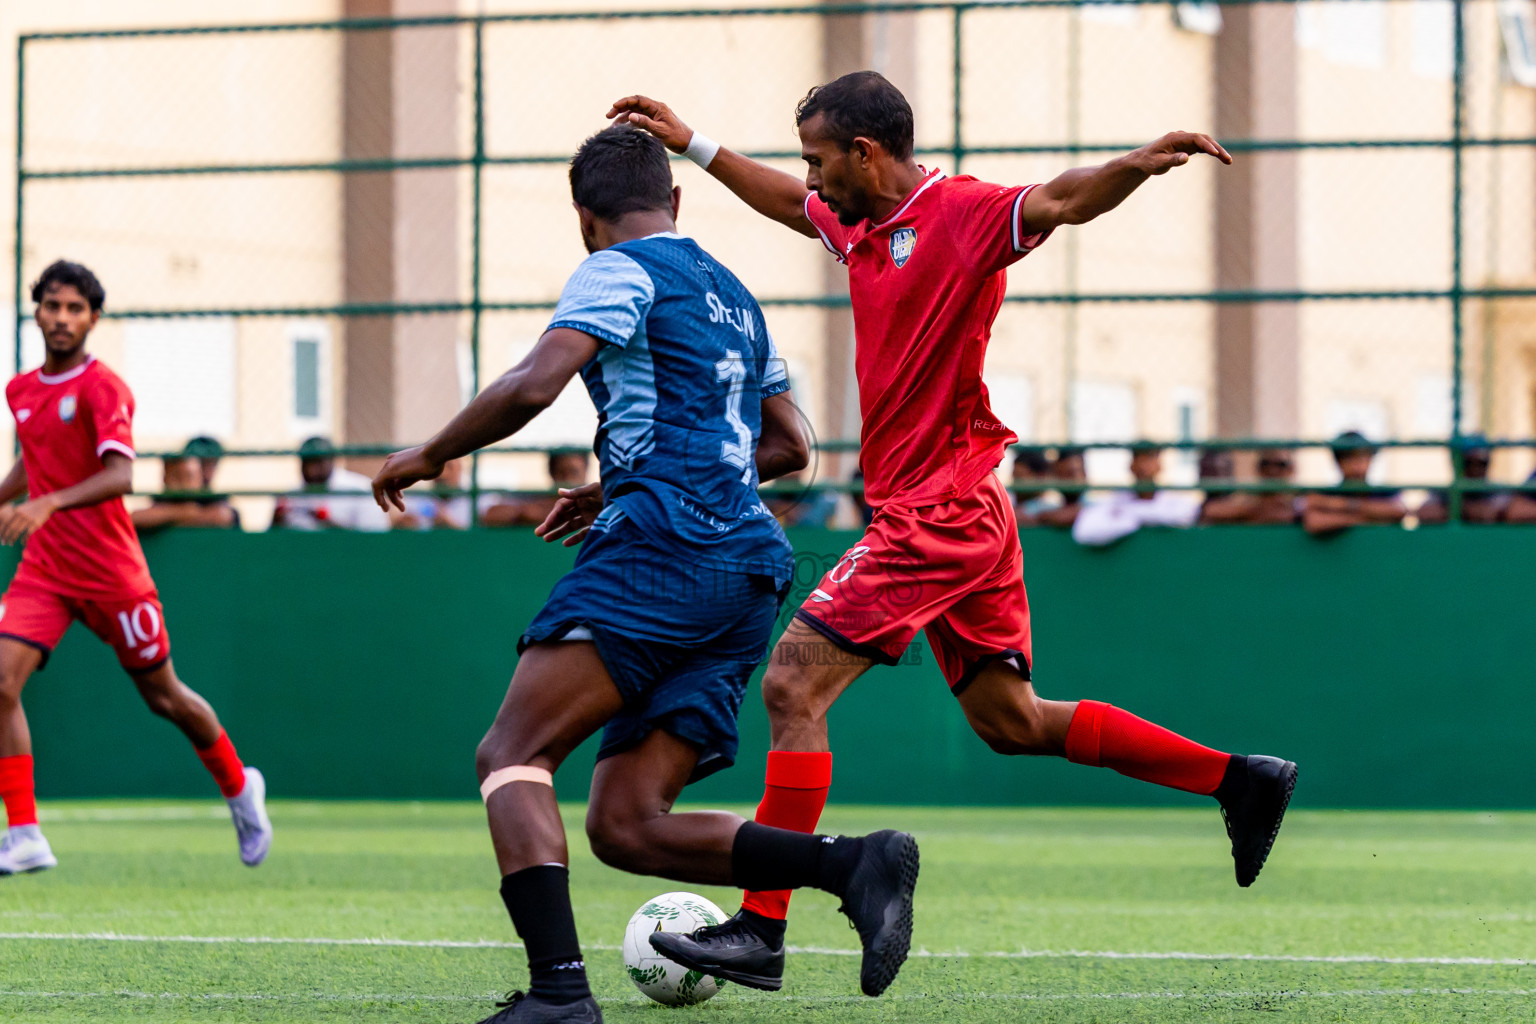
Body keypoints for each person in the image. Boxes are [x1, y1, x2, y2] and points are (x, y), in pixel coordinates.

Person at [606, 75, 1296, 988]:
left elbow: (1058, 198)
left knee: (792, 686)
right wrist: (694, 143)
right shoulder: (851, 221)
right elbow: (787, 204)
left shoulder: (963, 214)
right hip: (964, 505)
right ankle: (1238, 780)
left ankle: (763, 927)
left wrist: (1134, 164)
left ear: (865, 152)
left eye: (819, 158)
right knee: (1010, 721)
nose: (810, 177)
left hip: (941, 507)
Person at [371, 125, 918, 1024]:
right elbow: (788, 445)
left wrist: (430, 453)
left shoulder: (614, 268)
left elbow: (534, 383)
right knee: (626, 824)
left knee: (512, 754)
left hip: (662, 551)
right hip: (748, 568)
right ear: (675, 201)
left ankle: (558, 996)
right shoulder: (735, 293)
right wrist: (622, 476)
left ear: (587, 220)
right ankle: (848, 865)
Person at [0, 261, 271, 875]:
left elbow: (120, 475)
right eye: (51, 306)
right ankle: (23, 832)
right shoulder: (20, 390)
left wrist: (47, 502)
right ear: (36, 311)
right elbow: (34, 460)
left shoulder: (104, 388)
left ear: (93, 318)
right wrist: (9, 495)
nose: (62, 318)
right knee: (1, 682)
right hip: (44, 570)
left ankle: (238, 787)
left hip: (112, 574)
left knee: (165, 697)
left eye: (75, 308)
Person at [1072, 443, 1200, 546]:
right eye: (1138, 459)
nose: (1143, 467)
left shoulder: (1175, 498)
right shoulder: (1115, 499)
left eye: (1149, 459)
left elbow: (1185, 514)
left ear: (1160, 466)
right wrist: (1127, 524)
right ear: (1131, 466)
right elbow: (1084, 533)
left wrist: (1128, 514)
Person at [270, 436, 390, 532]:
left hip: (346, 559)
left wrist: (326, 521)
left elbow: (372, 541)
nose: (310, 470)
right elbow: (270, 543)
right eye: (306, 462)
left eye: (317, 462)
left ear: (332, 460)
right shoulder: (291, 495)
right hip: (299, 558)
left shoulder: (359, 489)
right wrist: (277, 520)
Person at [1301, 431, 1406, 535]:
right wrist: (1368, 519)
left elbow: (1399, 511)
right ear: (1339, 462)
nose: (1356, 467)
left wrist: (1340, 504)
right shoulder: (1327, 493)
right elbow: (1314, 522)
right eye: (1349, 459)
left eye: (1362, 458)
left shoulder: (1385, 492)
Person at [131, 453, 239, 533]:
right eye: (176, 476)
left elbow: (223, 516)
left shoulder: (210, 498)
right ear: (165, 478)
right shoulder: (163, 500)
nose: (183, 483)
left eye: (189, 476)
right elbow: (135, 518)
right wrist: (184, 512)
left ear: (200, 478)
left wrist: (168, 520)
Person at [481, 452, 590, 528]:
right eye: (561, 472)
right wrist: (522, 512)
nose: (568, 479)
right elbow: (489, 515)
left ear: (585, 472)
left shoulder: (595, 503)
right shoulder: (534, 499)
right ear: (552, 474)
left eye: (574, 472)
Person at [1417, 435, 1506, 525]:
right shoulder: (1443, 493)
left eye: (1481, 463)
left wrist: (1454, 509)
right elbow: (1426, 512)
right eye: (1468, 463)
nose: (1475, 469)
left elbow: (1493, 511)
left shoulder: (1497, 491)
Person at [1036, 445, 1088, 529]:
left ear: (1084, 473)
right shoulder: (1048, 507)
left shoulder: (1096, 506)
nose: (1068, 480)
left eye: (1072, 473)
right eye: (1062, 475)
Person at [1009, 447, 1052, 525]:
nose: (1016, 481)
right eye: (1014, 476)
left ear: (1040, 477)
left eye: (1020, 476)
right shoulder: (1008, 500)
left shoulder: (1049, 507)